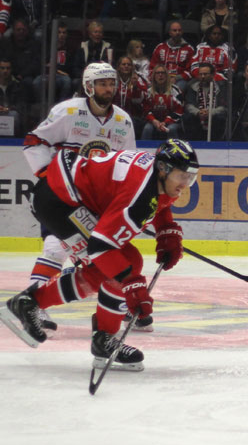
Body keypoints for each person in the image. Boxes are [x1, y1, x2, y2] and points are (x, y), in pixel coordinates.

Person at [0, 141, 198, 371]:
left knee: (120, 263)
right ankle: (90, 333)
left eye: (190, 177)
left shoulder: (159, 177)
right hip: (60, 201)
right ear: (163, 169)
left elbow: (159, 202)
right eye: (182, 176)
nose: (185, 184)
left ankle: (35, 305)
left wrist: (166, 229)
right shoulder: (140, 193)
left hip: (66, 193)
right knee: (124, 263)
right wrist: (132, 286)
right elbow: (101, 246)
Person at [22, 62, 137, 331]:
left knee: (105, 256)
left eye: (111, 84)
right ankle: (32, 305)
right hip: (64, 198)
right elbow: (34, 141)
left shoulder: (123, 121)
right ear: (88, 86)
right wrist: (51, 180)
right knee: (55, 248)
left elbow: (128, 163)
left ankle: (122, 303)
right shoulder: (68, 111)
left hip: (97, 202)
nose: (108, 89)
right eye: (102, 84)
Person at [183, 62, 229, 140]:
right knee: (188, 117)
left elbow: (223, 107)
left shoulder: (221, 87)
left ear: (212, 74)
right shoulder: (192, 86)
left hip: (214, 115)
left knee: (220, 118)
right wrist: (198, 112)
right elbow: (189, 104)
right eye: (200, 74)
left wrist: (210, 112)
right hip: (198, 116)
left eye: (205, 74)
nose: (203, 76)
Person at [150, 20, 197, 94]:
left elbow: (191, 70)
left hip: (179, 80)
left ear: (182, 32)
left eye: (179, 30)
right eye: (174, 30)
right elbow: (152, 67)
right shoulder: (160, 47)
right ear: (170, 33)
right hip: (161, 77)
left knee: (177, 89)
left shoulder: (189, 49)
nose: (177, 32)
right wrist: (161, 78)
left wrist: (176, 78)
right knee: (149, 87)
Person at [69, 21, 113, 95]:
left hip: (101, 77)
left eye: (100, 32)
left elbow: (109, 65)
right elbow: (75, 67)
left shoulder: (107, 47)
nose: (98, 34)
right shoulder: (82, 47)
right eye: (95, 32)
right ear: (90, 34)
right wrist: (84, 75)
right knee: (76, 82)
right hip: (84, 76)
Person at [142, 63, 183, 140]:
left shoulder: (175, 90)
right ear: (154, 76)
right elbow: (145, 110)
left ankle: (174, 147)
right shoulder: (148, 91)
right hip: (153, 121)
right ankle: (144, 148)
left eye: (163, 73)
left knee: (171, 129)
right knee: (147, 128)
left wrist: (165, 122)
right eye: (157, 73)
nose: (160, 75)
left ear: (167, 76)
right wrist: (154, 120)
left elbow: (179, 111)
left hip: (171, 121)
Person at [113, 54, 149, 135]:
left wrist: (135, 87)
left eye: (129, 64)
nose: (126, 66)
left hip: (134, 116)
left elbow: (143, 99)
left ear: (132, 67)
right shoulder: (113, 79)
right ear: (118, 67)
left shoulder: (138, 79)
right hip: (115, 114)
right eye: (124, 64)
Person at [0, 57, 29, 137]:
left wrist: (8, 108)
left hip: (11, 113)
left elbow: (22, 105)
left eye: (8, 68)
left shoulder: (18, 86)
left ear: (11, 70)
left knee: (14, 115)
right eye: (2, 68)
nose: (5, 71)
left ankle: (15, 140)